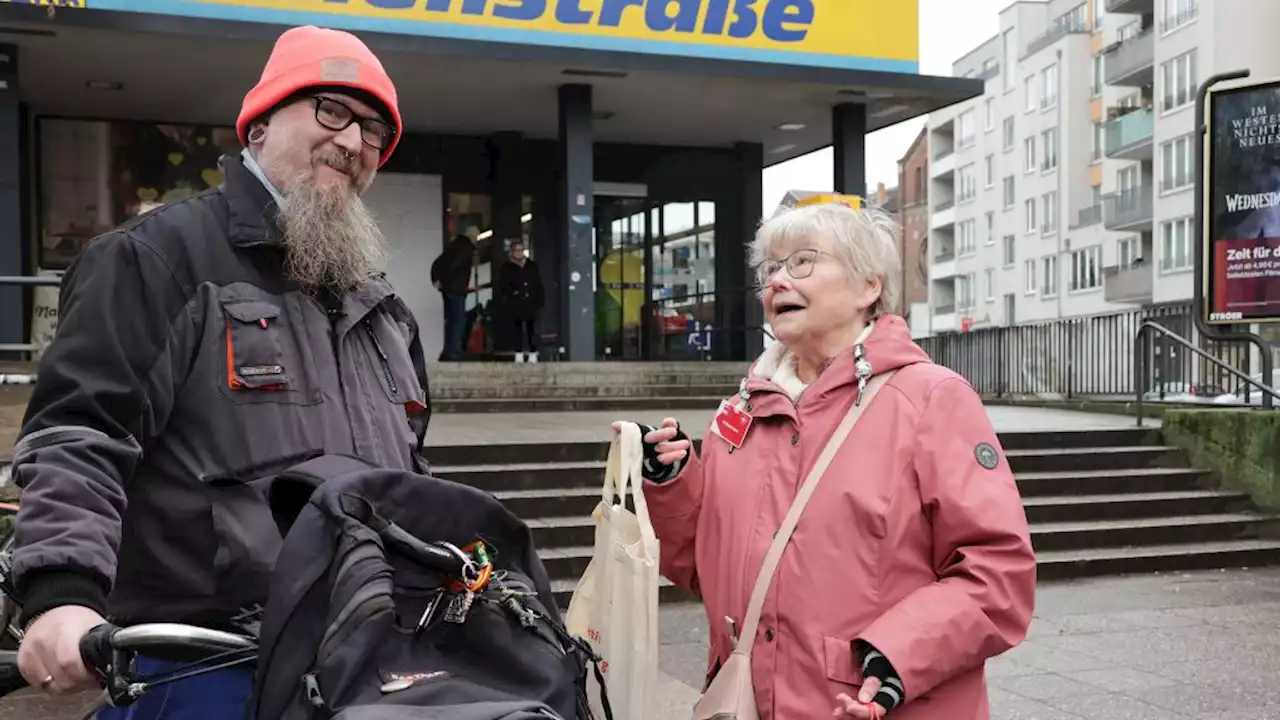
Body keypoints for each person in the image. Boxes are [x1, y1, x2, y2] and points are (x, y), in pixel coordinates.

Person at [10, 25, 431, 718]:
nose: (354, 142)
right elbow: (82, 434)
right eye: (332, 110)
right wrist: (63, 594)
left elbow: (412, 478)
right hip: (204, 665)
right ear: (259, 121)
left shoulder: (384, 312)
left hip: (368, 663)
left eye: (375, 132)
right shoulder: (155, 260)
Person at [617, 202, 1036, 720]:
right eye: (770, 269)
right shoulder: (743, 410)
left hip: (876, 704)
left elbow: (998, 573)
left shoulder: (931, 399)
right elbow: (709, 571)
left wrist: (896, 656)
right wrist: (672, 480)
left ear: (869, 287)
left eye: (802, 262)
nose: (777, 282)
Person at [431, 232, 476, 360]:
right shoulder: (465, 248)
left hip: (450, 290)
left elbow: (437, 264)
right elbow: (455, 266)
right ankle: (454, 352)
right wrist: (456, 285)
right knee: (458, 321)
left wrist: (439, 281)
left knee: (451, 321)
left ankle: (447, 352)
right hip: (456, 290)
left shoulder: (453, 246)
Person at [497, 240, 544, 362]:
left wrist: (538, 300)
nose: (519, 253)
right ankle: (518, 352)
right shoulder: (506, 268)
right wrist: (513, 292)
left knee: (531, 328)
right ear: (511, 252)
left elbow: (538, 284)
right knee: (516, 328)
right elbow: (503, 284)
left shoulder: (531, 266)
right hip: (515, 302)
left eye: (521, 250)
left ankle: (533, 352)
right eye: (516, 250)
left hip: (531, 302)